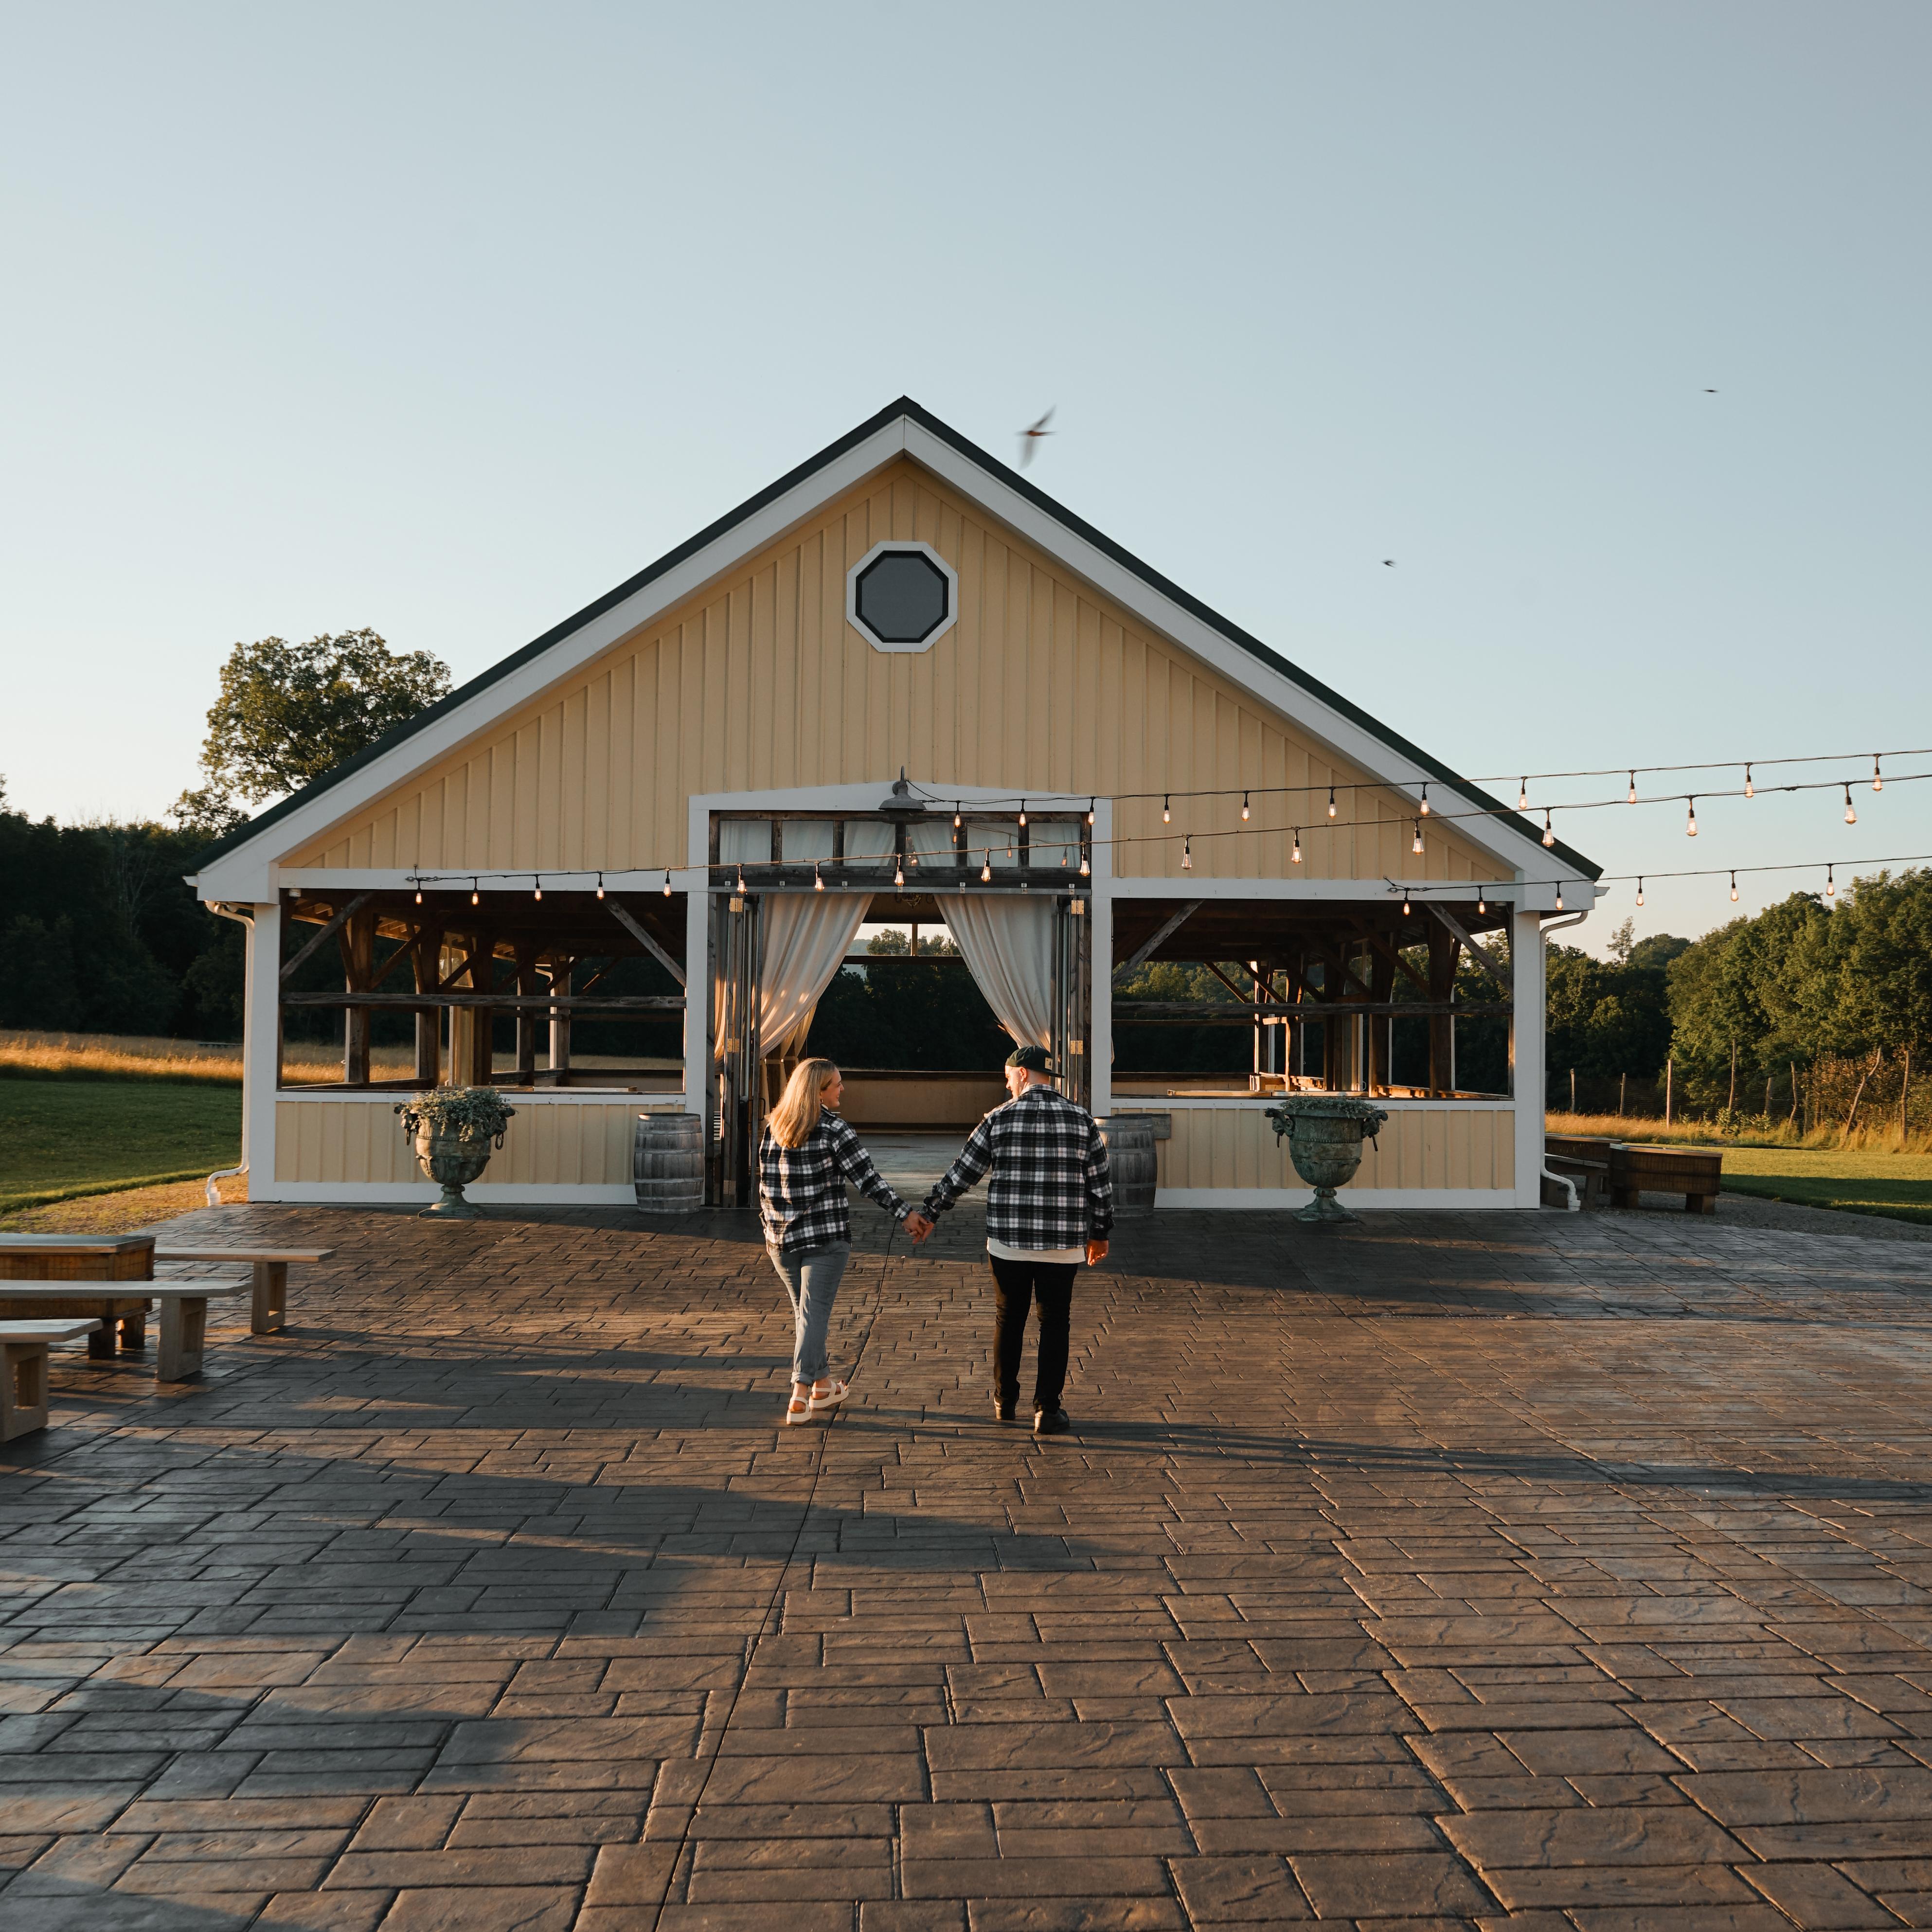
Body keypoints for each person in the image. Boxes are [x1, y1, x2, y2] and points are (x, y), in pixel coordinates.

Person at [920, 1043, 1112, 1435]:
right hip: (1063, 1242)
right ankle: (1047, 1410)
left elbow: (962, 1173)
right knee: (1055, 1323)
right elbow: (1100, 1184)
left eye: (1008, 1076)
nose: (1006, 1084)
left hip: (1008, 1242)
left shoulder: (998, 1119)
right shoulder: (1081, 1119)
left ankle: (1005, 1402)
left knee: (1009, 1319)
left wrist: (930, 1212)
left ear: (1022, 1074)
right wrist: (1100, 1233)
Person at [758, 1056, 932, 1425]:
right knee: (812, 1316)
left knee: (808, 1316)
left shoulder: (774, 1126)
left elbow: (765, 1185)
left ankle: (823, 1386)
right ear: (819, 1090)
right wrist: (906, 1214)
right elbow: (868, 1180)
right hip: (825, 1238)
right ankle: (799, 1394)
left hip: (781, 1242)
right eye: (837, 1083)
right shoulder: (835, 1129)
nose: (843, 1089)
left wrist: (771, 1228)